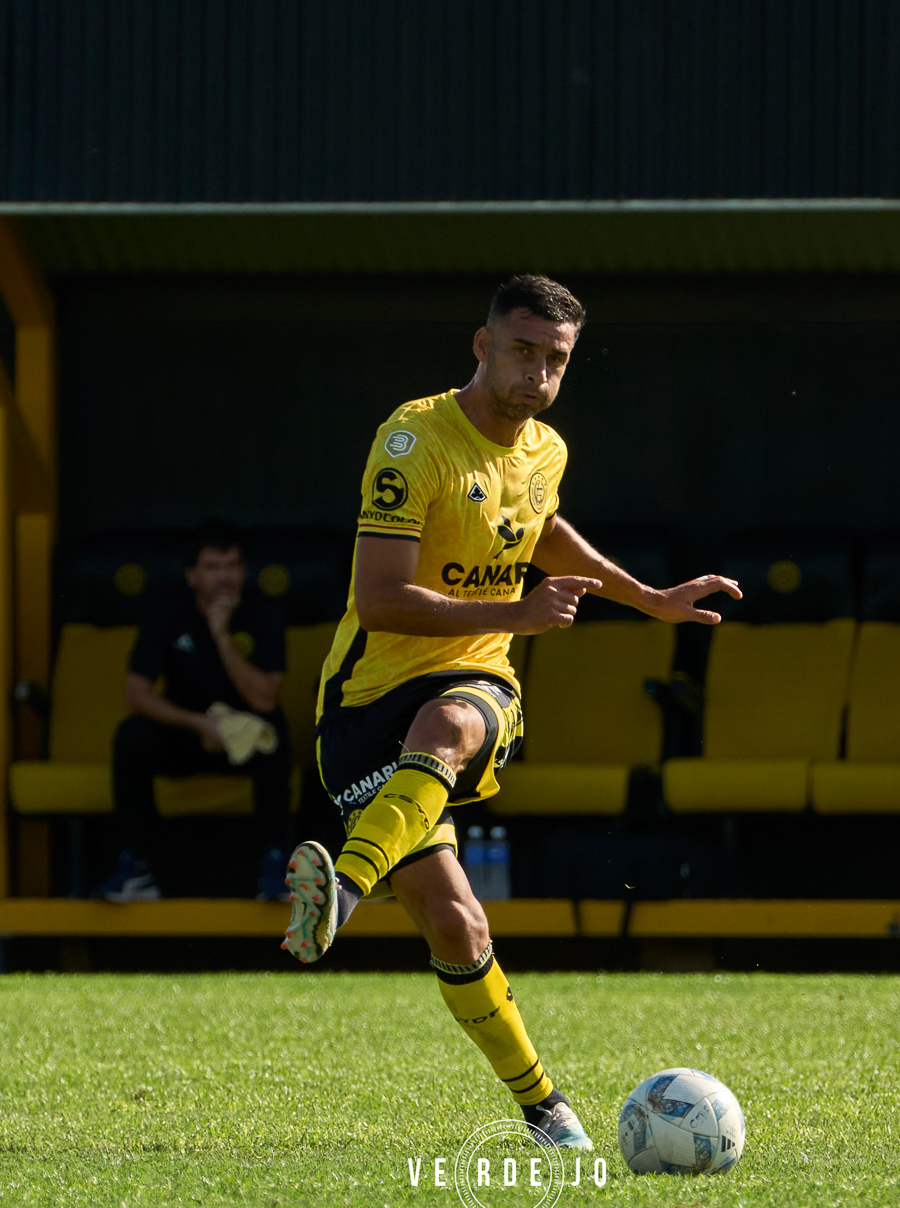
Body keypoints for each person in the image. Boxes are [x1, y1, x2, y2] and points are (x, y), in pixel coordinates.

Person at [279, 275, 741, 1151]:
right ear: (482, 345)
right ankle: (544, 1106)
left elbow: (540, 526)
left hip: (475, 681)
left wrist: (647, 597)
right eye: (523, 351)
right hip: (362, 704)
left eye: (555, 359)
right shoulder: (413, 440)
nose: (538, 373)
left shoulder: (546, 450)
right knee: (459, 925)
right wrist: (520, 613)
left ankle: (341, 890)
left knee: (452, 725)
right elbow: (379, 600)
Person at [93, 522, 288, 902]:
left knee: (275, 734)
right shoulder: (167, 610)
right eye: (213, 567)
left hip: (245, 737)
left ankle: (276, 865)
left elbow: (265, 699)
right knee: (132, 736)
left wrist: (221, 635)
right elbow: (136, 693)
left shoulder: (262, 610)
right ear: (192, 576)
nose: (224, 576)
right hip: (188, 733)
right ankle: (137, 868)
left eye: (232, 566)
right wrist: (200, 724)